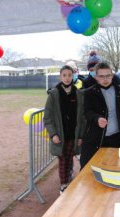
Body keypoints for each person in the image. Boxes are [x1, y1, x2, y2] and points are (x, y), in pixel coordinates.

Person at [44, 65, 84, 194]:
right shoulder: (54, 94)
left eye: (69, 75)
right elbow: (48, 117)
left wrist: (81, 136)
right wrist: (53, 134)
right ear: (60, 77)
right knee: (62, 160)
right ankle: (63, 184)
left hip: (73, 134)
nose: (67, 78)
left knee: (70, 158)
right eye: (64, 75)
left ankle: (68, 179)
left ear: (73, 76)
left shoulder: (78, 93)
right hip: (60, 135)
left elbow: (82, 117)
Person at [80, 62, 120, 169]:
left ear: (112, 76)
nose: (105, 79)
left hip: (117, 138)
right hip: (97, 138)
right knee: (92, 169)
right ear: (96, 77)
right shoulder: (89, 93)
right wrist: (96, 119)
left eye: (108, 76)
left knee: (115, 167)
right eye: (101, 76)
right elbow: (87, 111)